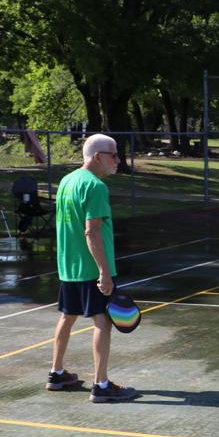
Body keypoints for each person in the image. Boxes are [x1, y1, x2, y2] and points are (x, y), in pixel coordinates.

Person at [49, 133, 136, 403]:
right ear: (97, 156)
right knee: (102, 321)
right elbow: (92, 232)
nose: (118, 160)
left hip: (69, 266)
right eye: (113, 155)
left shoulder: (67, 181)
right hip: (91, 267)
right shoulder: (96, 187)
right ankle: (101, 385)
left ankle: (56, 373)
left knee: (67, 316)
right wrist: (104, 272)